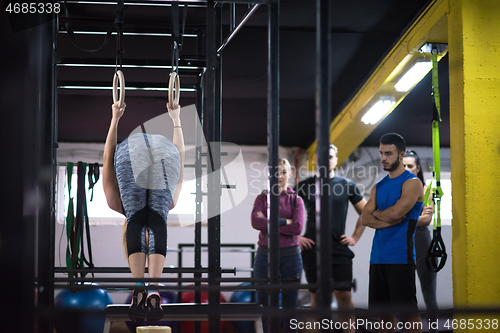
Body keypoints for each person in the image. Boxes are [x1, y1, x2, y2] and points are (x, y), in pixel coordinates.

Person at [103, 101, 185, 323]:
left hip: (157, 152)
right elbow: (108, 157)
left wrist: (115, 119)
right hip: (146, 150)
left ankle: (143, 286)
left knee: (152, 219)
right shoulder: (114, 203)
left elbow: (180, 158)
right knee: (154, 219)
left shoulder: (170, 204)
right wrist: (115, 119)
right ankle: (152, 288)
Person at [294, 144, 366, 333]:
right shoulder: (304, 186)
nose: (327, 160)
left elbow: (366, 213)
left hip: (338, 248)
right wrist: (296, 237)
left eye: (331, 157)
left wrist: (355, 237)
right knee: (318, 298)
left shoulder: (347, 185)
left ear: (335, 159)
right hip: (312, 249)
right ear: (316, 159)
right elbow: (283, 211)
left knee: (344, 296)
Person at [361, 133, 423, 333]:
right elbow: (365, 218)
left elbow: (398, 212)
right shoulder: (378, 186)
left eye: (388, 153)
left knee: (408, 311)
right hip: (378, 257)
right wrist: (385, 217)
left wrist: (377, 215)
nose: (383, 158)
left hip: (400, 256)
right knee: (384, 313)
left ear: (401, 154)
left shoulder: (412, 183)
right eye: (381, 153)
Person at [251, 158, 305, 333]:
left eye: (283, 172)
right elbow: (255, 222)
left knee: (291, 308)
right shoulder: (262, 197)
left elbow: (297, 227)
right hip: (264, 256)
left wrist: (268, 224)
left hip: (290, 256)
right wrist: (284, 222)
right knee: (265, 307)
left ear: (289, 174)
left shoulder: (296, 200)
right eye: (276, 172)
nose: (279, 176)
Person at [403, 150, 437, 332]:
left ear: (417, 168)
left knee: (429, 296)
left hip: (423, 242)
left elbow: (426, 220)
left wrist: (399, 218)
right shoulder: (397, 191)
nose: (407, 169)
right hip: (402, 244)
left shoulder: (427, 190)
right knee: (403, 295)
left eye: (410, 166)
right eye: (404, 166)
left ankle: (433, 330)